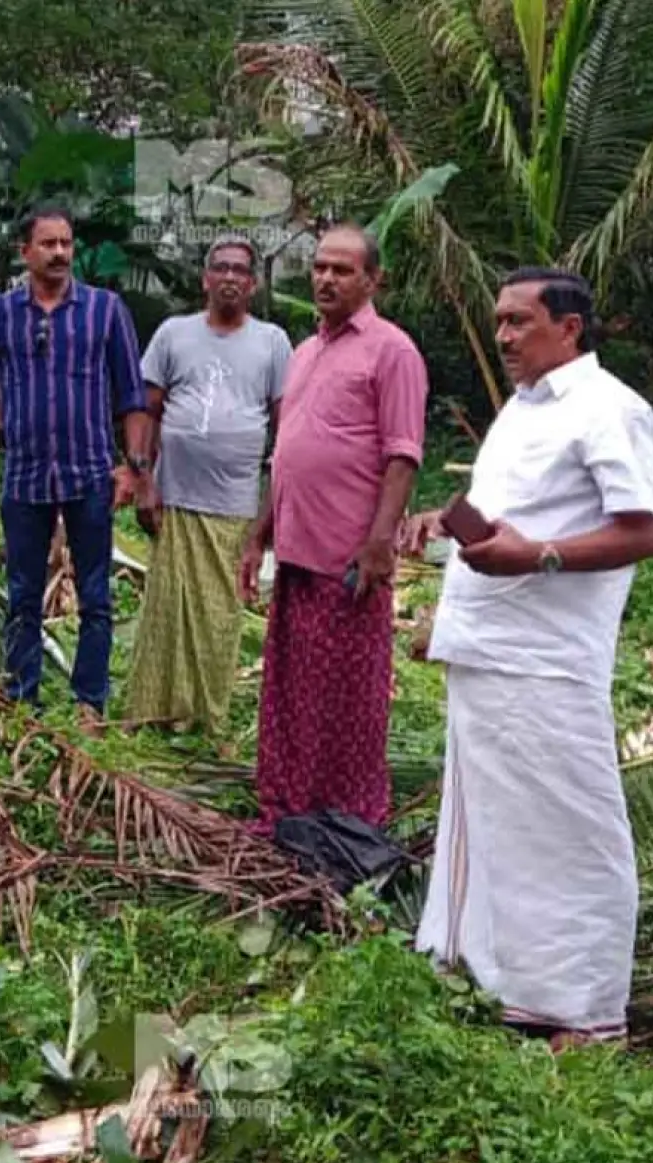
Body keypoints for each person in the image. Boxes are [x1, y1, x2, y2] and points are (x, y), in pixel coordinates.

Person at [406, 267, 653, 1049]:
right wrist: (449, 526)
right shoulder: (521, 411)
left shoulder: (610, 409)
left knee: (572, 832)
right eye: (500, 322)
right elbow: (512, 518)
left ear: (570, 328)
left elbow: (643, 530)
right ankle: (504, 984)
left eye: (520, 322)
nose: (505, 337)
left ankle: (585, 1011)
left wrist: (538, 558)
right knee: (491, 829)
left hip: (549, 659)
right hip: (488, 647)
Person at [0, 205, 152, 727]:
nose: (59, 253)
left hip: (90, 474)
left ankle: (89, 704)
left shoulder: (103, 310)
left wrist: (135, 468)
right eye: (47, 244)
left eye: (66, 244)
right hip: (25, 477)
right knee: (24, 594)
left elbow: (132, 394)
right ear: (24, 251)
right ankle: (22, 701)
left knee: (96, 595)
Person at [242, 225, 427, 829]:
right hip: (296, 550)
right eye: (320, 266)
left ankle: (347, 817)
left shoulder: (391, 351)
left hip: (348, 557)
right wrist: (259, 532)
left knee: (347, 700)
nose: (326, 278)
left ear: (373, 280)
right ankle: (287, 806)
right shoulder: (305, 352)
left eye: (342, 270)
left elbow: (402, 455)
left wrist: (379, 543)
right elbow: (286, 451)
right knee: (291, 692)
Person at [125, 237, 293, 730]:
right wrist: (143, 483)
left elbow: (287, 431)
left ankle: (205, 717)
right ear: (204, 278)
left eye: (240, 270)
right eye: (220, 268)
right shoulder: (174, 333)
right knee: (167, 613)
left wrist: (268, 515)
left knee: (218, 616)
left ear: (254, 283)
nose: (229, 278)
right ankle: (156, 711)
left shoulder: (272, 342)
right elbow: (145, 409)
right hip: (174, 497)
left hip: (234, 503)